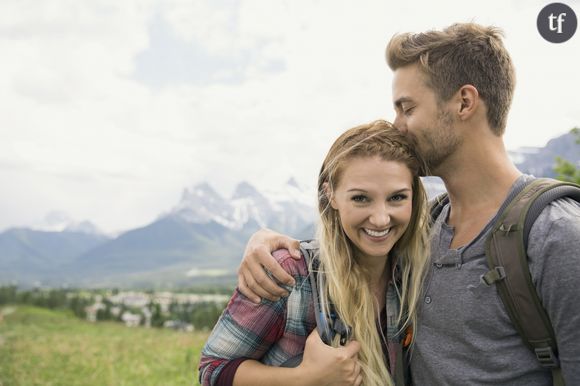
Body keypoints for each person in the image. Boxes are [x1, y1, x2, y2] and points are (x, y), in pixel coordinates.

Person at [236, 23, 580, 385]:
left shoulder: (556, 236)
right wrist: (265, 241)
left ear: (464, 102)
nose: (396, 125)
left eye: (407, 108)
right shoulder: (425, 225)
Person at [198, 120, 431, 386]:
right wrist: (305, 378)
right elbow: (212, 372)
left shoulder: (418, 267)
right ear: (330, 194)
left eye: (397, 197)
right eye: (361, 198)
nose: (380, 219)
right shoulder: (290, 273)